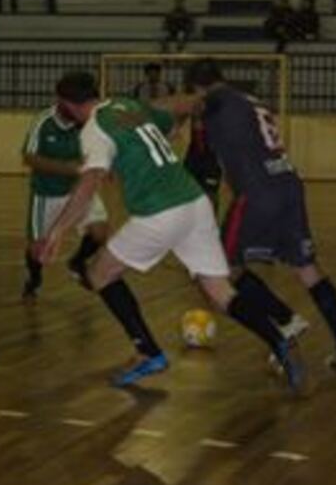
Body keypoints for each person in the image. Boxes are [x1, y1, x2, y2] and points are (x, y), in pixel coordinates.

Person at [37, 72, 303, 388]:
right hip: (194, 202)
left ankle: (148, 353)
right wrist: (187, 115)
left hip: (160, 212)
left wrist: (57, 231)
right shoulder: (127, 106)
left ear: (66, 103)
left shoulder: (94, 129)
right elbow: (176, 109)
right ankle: (277, 339)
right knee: (220, 291)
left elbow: (90, 180)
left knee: (99, 274)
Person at [179, 58, 336, 372]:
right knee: (308, 268)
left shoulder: (215, 100)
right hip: (288, 182)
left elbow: (188, 118)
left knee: (220, 271)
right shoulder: (248, 99)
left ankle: (285, 322)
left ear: (198, 88)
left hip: (257, 190)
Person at [21, 103, 110, 303]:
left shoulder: (88, 121)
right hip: (47, 193)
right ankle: (34, 279)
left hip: (80, 188)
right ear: (64, 101)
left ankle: (77, 261)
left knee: (100, 232)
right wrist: (65, 168)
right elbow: (28, 157)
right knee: (38, 250)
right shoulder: (44, 122)